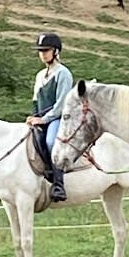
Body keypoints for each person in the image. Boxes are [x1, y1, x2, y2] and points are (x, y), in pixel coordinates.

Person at [26, 31, 74, 202]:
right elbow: (35, 99)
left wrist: (44, 119)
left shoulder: (63, 74)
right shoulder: (40, 75)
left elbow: (61, 105)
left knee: (51, 142)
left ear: (55, 51)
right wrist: (33, 116)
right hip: (41, 117)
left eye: (46, 50)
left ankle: (58, 185)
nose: (43, 54)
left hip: (58, 118)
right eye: (41, 51)